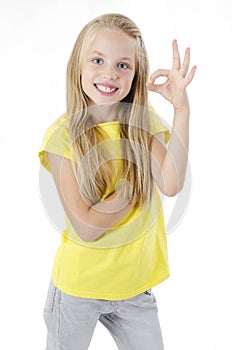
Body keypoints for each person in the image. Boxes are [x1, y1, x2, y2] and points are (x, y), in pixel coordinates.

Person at [38, 13, 196, 350]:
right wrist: (128, 192)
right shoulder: (61, 137)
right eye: (98, 60)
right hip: (79, 290)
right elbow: (87, 228)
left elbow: (171, 184)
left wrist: (181, 109)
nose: (109, 73)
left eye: (123, 65)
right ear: (78, 66)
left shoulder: (144, 123)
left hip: (134, 290)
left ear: (136, 74)